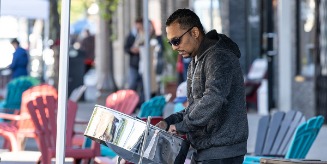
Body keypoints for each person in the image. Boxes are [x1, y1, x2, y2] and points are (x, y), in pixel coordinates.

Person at [156, 9, 248, 164]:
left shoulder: (219, 57)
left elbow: (213, 98)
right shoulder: (196, 59)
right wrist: (169, 121)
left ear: (195, 33)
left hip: (221, 151)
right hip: (206, 149)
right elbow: (196, 106)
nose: (174, 47)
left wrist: (182, 125)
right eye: (170, 42)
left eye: (176, 40)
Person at [124, 18, 144, 104]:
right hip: (134, 63)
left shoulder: (145, 34)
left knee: (142, 85)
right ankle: (131, 103)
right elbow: (126, 48)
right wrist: (132, 50)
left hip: (143, 63)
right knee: (132, 84)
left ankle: (139, 103)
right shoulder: (132, 35)